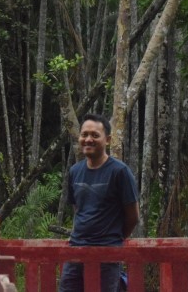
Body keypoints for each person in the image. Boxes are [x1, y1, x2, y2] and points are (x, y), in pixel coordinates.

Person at [59, 114, 139, 292]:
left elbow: (132, 215)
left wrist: (113, 239)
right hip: (76, 248)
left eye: (95, 135)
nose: (88, 139)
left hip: (107, 252)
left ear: (108, 140)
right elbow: (77, 208)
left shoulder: (120, 172)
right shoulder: (75, 171)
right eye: (84, 134)